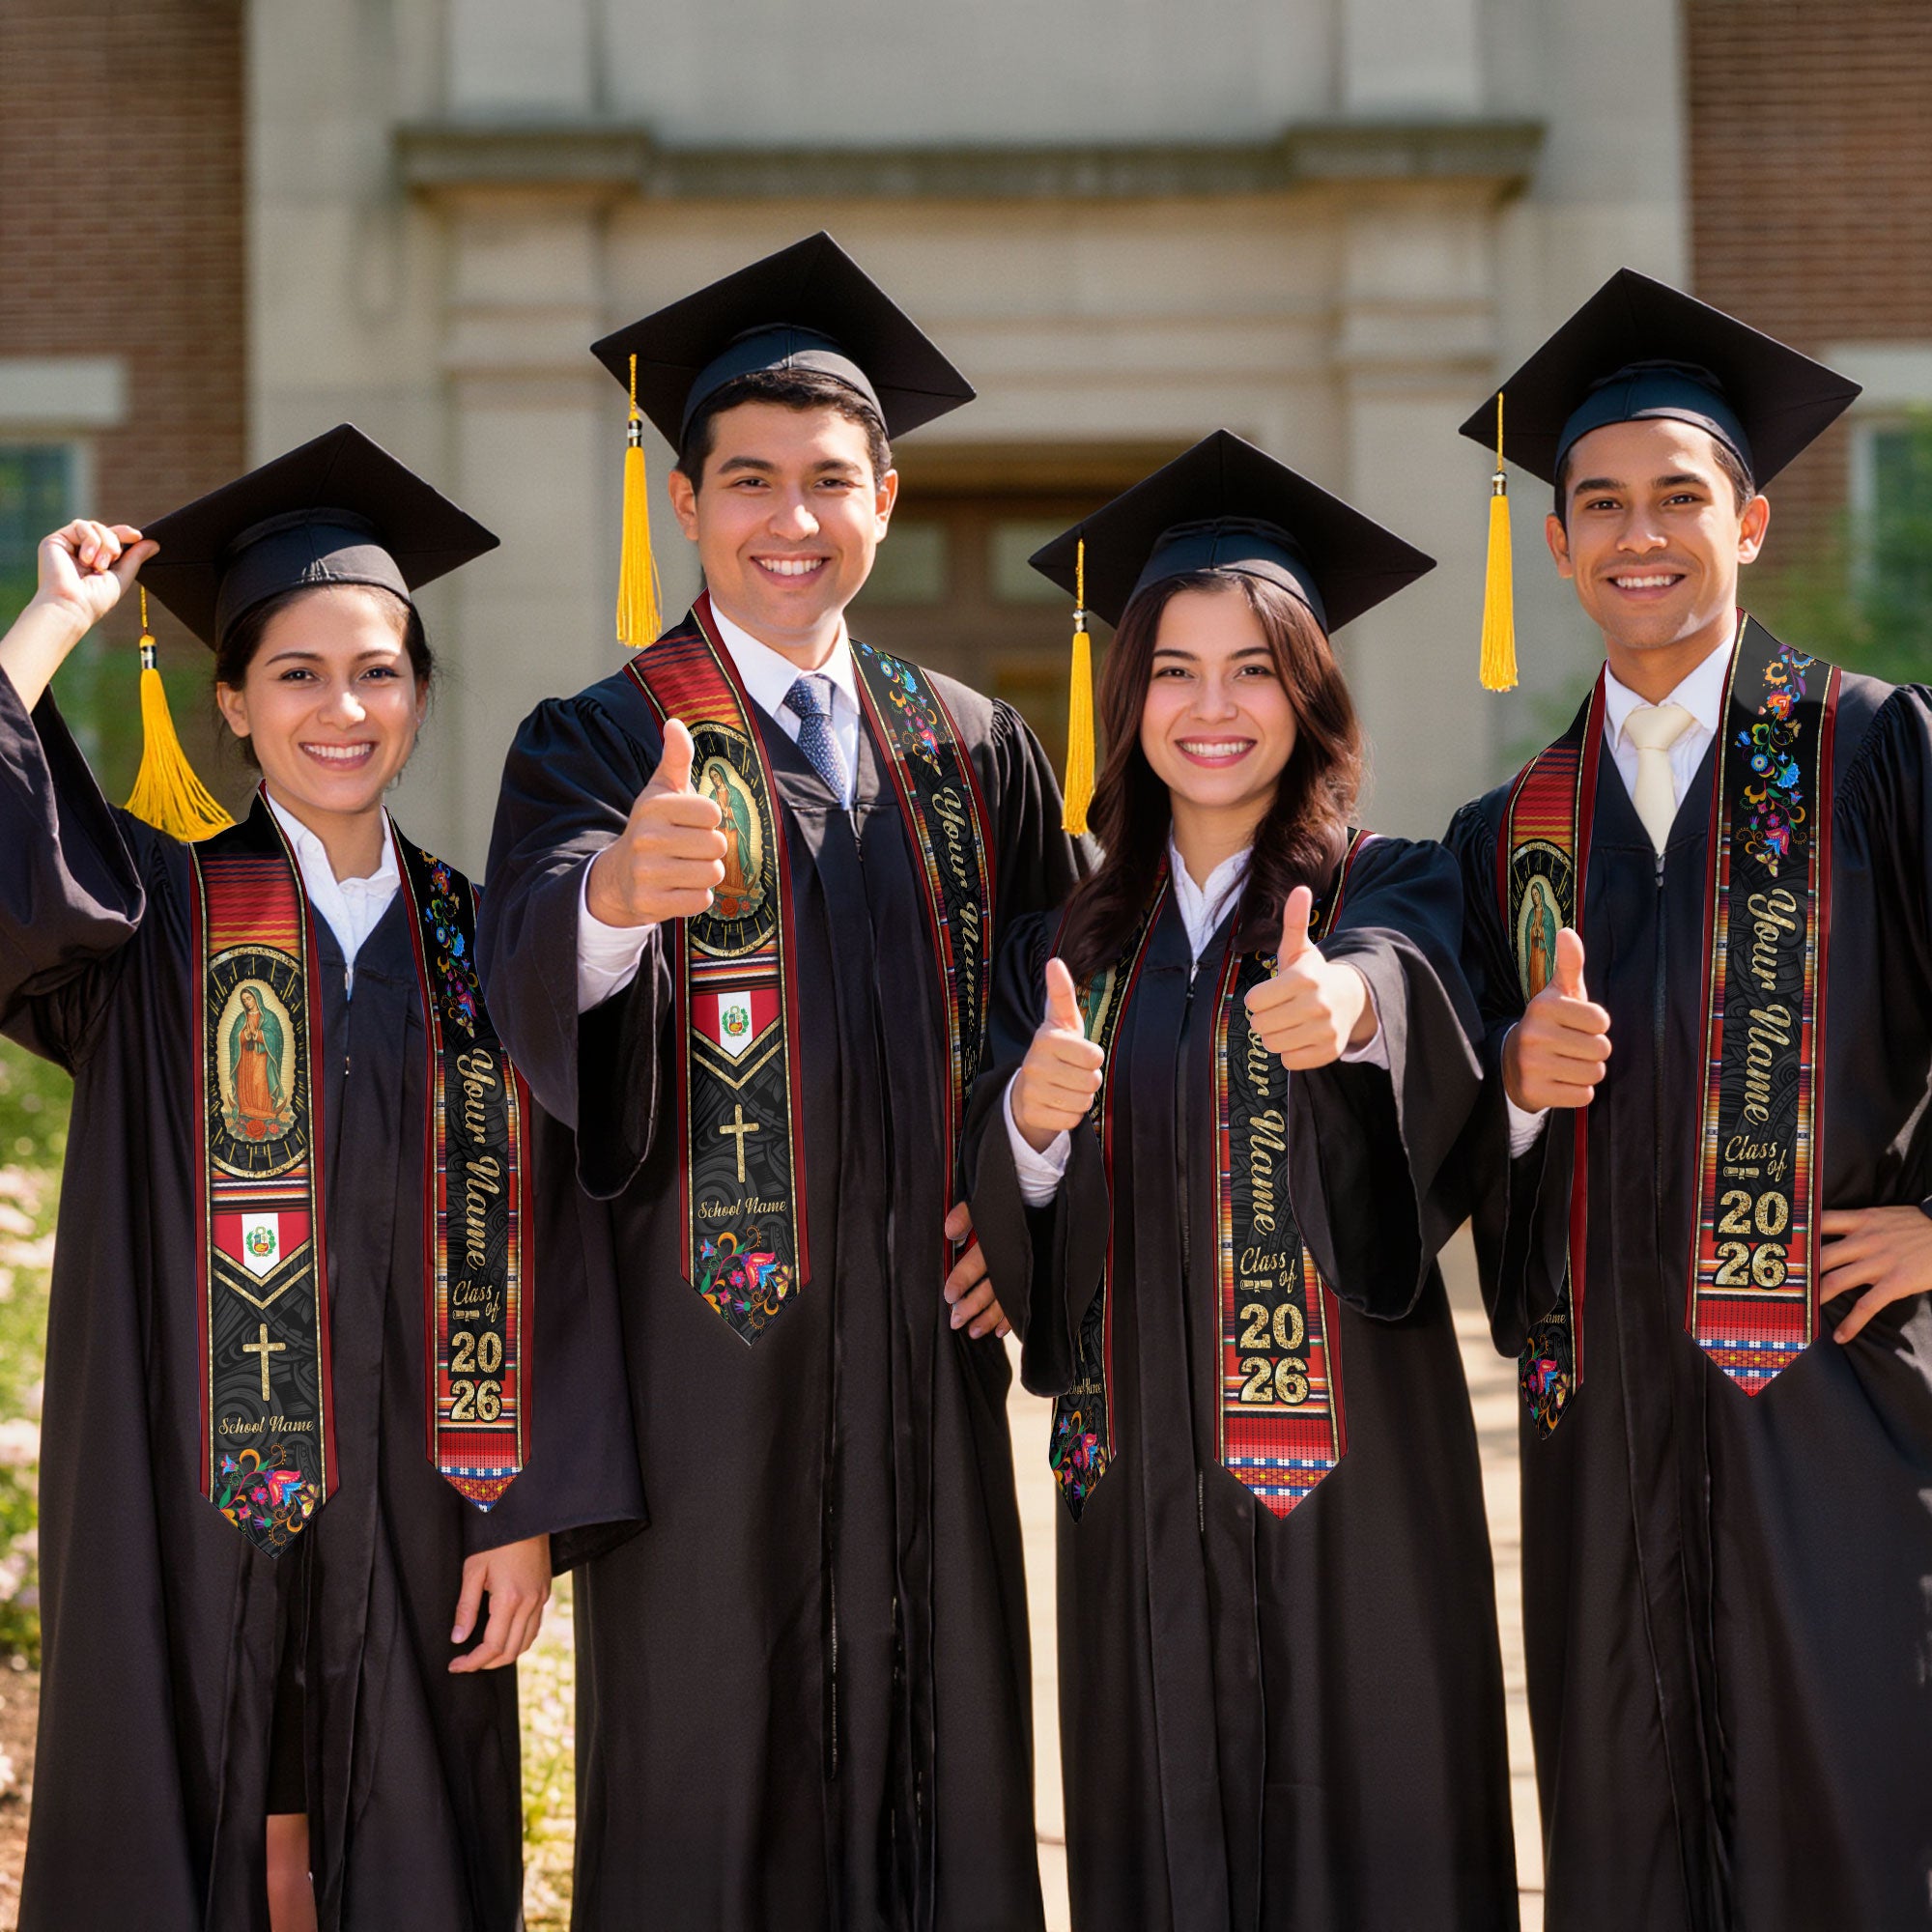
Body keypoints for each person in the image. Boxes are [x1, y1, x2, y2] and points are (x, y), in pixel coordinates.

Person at [478, 233, 1084, 1931]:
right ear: (687, 503)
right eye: (750, 481)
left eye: (831, 481)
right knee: (709, 1788)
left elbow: (1074, 1007)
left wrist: (1024, 1202)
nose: (791, 519)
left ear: (886, 497)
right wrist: (610, 899)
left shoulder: (974, 746)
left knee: (944, 1770)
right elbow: (524, 973)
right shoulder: (601, 738)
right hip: (706, 1379)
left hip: (923, 1364)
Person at [0, 426, 641, 1932]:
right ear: (231, 701)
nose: (340, 708)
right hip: (183, 1491)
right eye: (295, 673)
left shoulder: (495, 944)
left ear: (420, 694)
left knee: (409, 1835)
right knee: (194, 1810)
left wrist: (528, 1508)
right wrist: (50, 625)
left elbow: (563, 1242)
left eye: (378, 670)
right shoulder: (151, 919)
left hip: (429, 1498)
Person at [965, 432, 1518, 1930]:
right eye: (1175, 670)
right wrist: (1027, 1117)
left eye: (1256, 668)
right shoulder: (1062, 947)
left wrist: (1349, 1013)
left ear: (1311, 693)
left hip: (1356, 1488)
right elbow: (1009, 1210)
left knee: (1379, 1836)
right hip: (1138, 1480)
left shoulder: (1387, 884)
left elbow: (1413, 989)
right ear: (1127, 696)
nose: (1214, 709)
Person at [1446, 270, 1932, 1930]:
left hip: (1836, 1409)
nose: (1636, 534)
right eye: (1599, 504)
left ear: (1752, 520)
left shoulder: (1871, 753)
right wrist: (1510, 1088)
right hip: (1604, 1440)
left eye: (1677, 497)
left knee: (1853, 1815)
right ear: (1562, 542)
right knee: (1624, 1830)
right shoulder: (1511, 829)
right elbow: (1441, 1137)